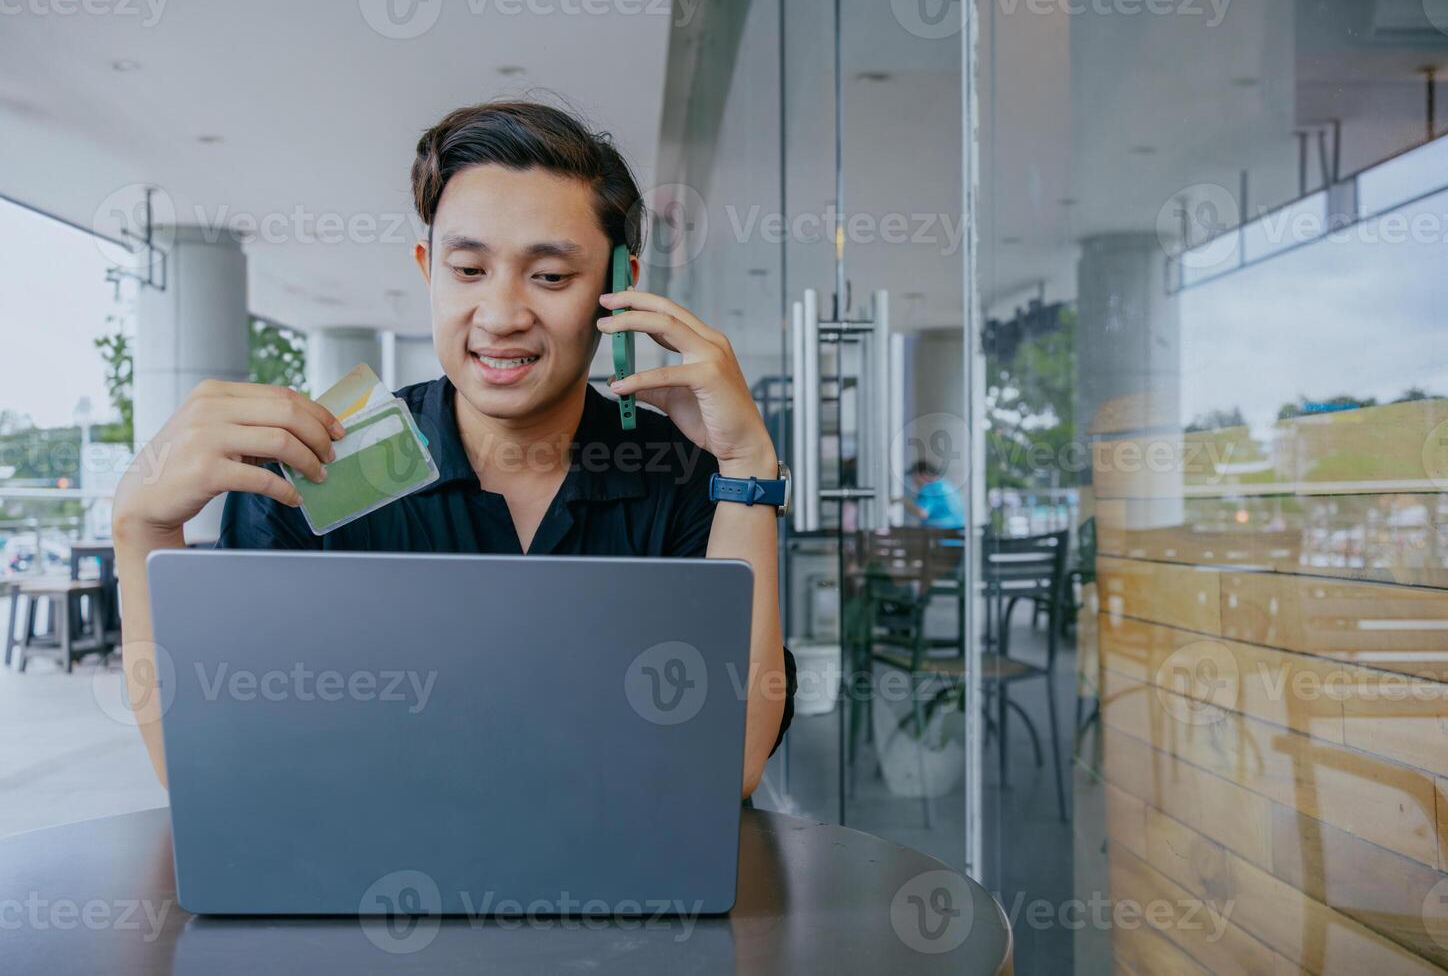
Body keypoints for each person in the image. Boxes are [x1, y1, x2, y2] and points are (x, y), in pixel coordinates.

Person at [112, 100, 795, 799]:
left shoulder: (685, 477)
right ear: (427, 270)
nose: (501, 316)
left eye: (551, 276)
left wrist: (747, 470)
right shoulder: (316, 471)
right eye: (468, 270)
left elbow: (729, 766)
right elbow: (213, 777)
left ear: (618, 288)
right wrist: (141, 530)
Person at [906, 459, 964, 529]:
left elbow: (922, 513)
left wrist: (903, 501)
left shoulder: (929, 488)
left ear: (923, 475)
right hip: (956, 534)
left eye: (914, 476)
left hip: (940, 535)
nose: (913, 480)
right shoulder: (947, 485)